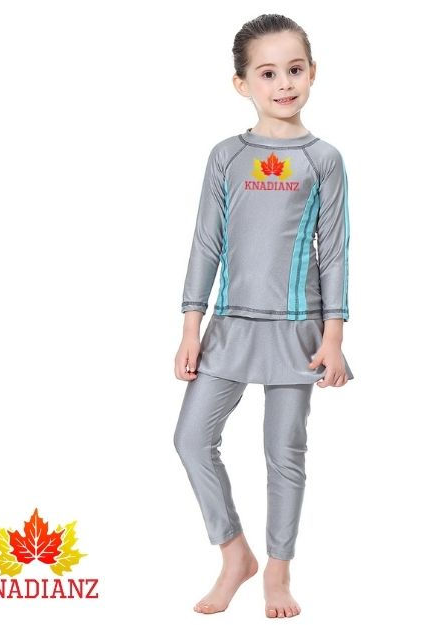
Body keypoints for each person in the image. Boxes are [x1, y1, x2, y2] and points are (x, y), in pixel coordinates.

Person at [173, 13, 355, 619]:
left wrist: (333, 337)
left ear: (313, 73)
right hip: (229, 325)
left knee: (285, 451)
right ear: (242, 83)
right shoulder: (226, 156)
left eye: (294, 69)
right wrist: (191, 329)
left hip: (298, 328)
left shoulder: (324, 159)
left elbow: (335, 251)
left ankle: (278, 571)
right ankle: (235, 554)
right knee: (192, 438)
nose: (283, 84)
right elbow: (206, 244)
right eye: (268, 73)